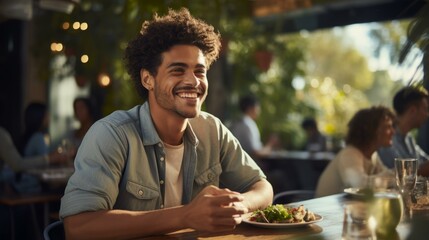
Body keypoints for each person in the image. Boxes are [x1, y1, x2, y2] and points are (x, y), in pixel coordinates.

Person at [60, 8, 273, 239]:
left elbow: (262, 187)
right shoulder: (112, 134)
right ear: (147, 79)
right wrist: (185, 216)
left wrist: (238, 204)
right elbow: (78, 226)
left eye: (199, 72)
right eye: (178, 70)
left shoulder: (212, 130)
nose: (193, 81)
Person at [315, 106, 395, 197]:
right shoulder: (349, 154)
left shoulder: (373, 155)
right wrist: (396, 175)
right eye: (387, 127)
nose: (393, 131)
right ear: (371, 130)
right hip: (325, 209)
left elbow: (388, 180)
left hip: (346, 207)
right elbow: (358, 186)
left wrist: (397, 177)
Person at [377, 86, 429, 176]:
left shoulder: (409, 138)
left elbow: (424, 161)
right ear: (413, 111)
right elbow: (400, 174)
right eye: (425, 109)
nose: (427, 115)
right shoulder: (386, 138)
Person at [230, 94, 279, 159]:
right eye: (258, 106)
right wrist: (270, 144)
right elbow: (255, 153)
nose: (259, 110)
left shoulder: (239, 122)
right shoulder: (247, 124)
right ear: (251, 108)